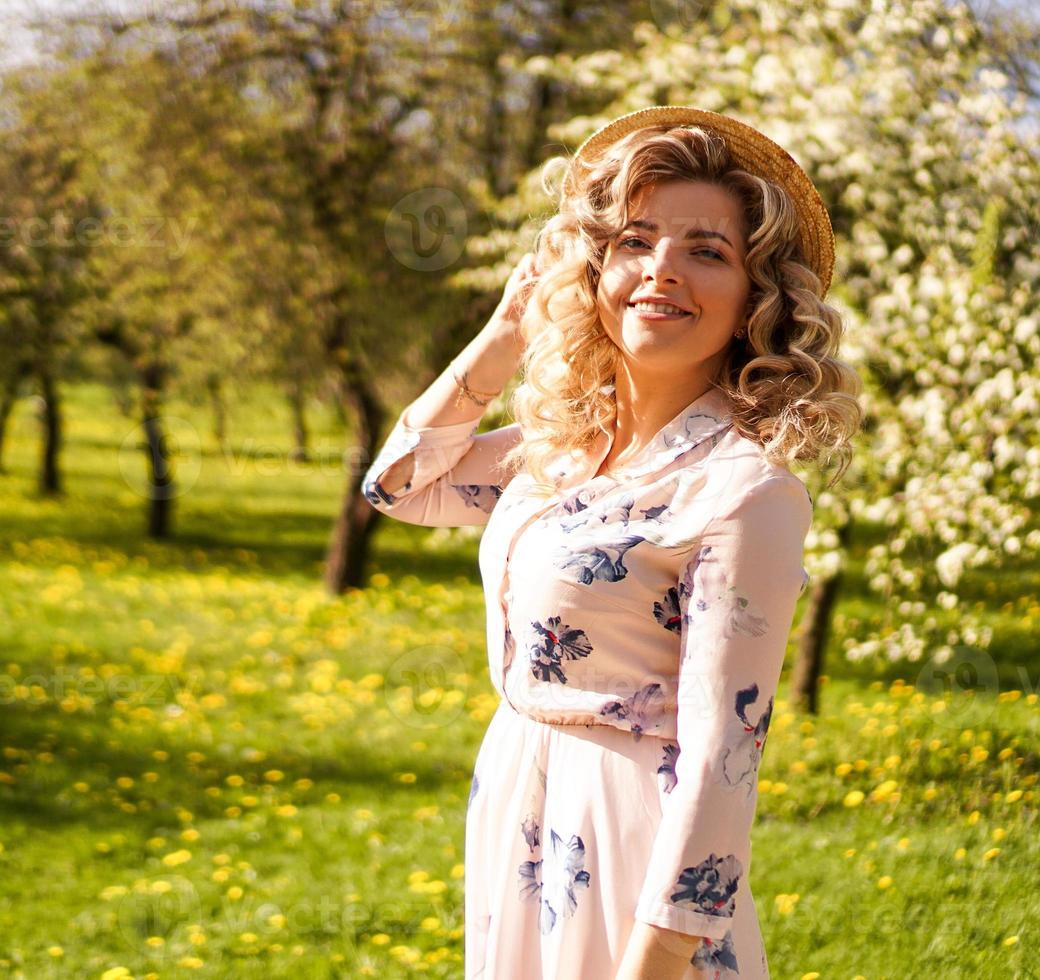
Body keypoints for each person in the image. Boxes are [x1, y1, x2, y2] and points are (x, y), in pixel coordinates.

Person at [362, 105, 862, 980]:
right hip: (521, 804)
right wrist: (509, 330)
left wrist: (653, 963)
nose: (661, 269)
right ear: (596, 267)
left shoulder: (745, 491)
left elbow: (723, 755)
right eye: (636, 240)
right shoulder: (561, 447)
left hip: (633, 842)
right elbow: (399, 486)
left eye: (707, 251)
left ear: (757, 300)